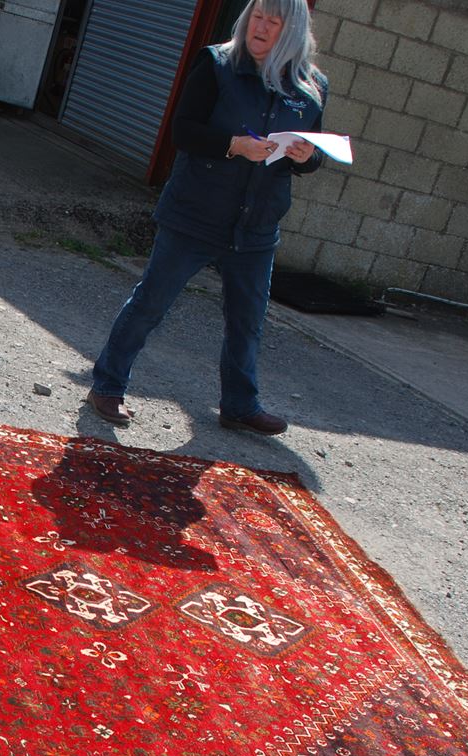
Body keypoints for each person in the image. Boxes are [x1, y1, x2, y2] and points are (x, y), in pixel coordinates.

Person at [85, 0, 327, 436]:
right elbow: (183, 131)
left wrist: (307, 157)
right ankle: (106, 385)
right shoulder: (217, 64)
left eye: (274, 22)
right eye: (257, 16)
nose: (261, 27)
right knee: (150, 303)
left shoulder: (310, 87)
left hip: (256, 226)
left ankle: (239, 404)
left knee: (247, 322)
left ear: (292, 31)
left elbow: (309, 159)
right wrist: (233, 145)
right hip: (195, 215)